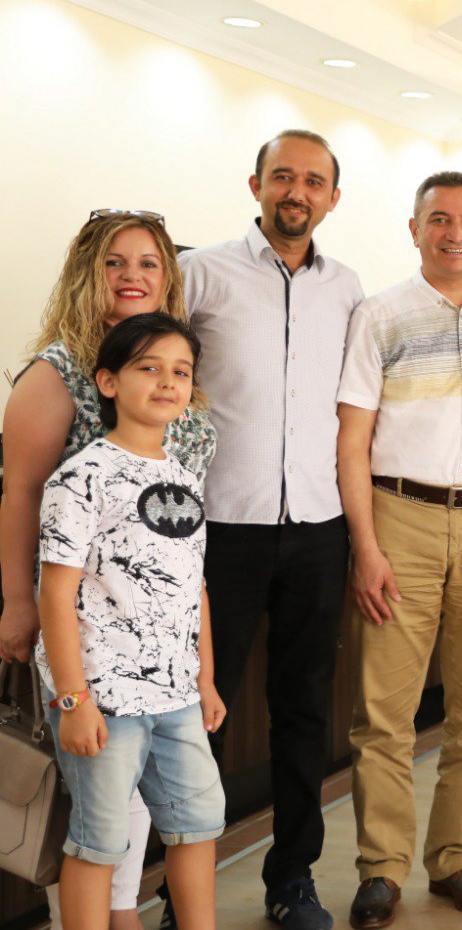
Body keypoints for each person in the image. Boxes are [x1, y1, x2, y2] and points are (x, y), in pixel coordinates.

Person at [0, 210, 216, 930]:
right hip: (91, 639)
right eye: (115, 262)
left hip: (167, 663)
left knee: (161, 810)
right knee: (96, 813)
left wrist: (203, 675)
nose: (132, 275)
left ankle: (126, 912)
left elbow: (192, 572)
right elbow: (21, 495)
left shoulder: (174, 373)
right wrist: (20, 607)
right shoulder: (58, 373)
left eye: (148, 262)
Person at [336, 171, 462, 928]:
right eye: (441, 219)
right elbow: (352, 441)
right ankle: (381, 869)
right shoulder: (379, 315)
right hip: (399, 519)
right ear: (414, 229)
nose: (457, 233)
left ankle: (457, 858)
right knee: (384, 715)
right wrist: (366, 547)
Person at [178, 128, 364, 930]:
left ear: (332, 198)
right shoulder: (201, 272)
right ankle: (181, 893)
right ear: (255, 185)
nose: (297, 191)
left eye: (313, 180)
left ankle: (292, 880)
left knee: (305, 712)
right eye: (283, 176)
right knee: (199, 713)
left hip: (319, 528)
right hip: (220, 529)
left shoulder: (348, 288)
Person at [36, 313, 226, 930]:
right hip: (104, 696)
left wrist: (205, 680)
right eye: (149, 367)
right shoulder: (81, 476)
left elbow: (194, 586)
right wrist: (73, 700)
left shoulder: (182, 477)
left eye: (181, 372)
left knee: (198, 825)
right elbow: (54, 596)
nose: (167, 382)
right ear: (109, 382)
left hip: (177, 695)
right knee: (99, 841)